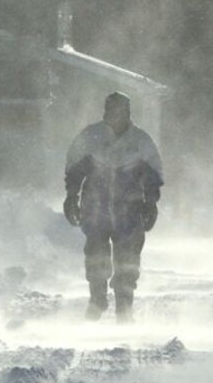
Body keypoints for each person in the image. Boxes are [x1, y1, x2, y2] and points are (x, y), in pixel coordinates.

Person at [63, 92, 163, 323]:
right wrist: (71, 197)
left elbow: (153, 174)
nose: (116, 117)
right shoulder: (90, 137)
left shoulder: (140, 141)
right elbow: (74, 170)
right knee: (96, 253)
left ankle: (124, 305)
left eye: (121, 112)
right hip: (95, 206)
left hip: (130, 209)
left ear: (128, 113)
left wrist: (151, 202)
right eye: (112, 111)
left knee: (128, 258)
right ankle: (97, 298)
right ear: (105, 112)